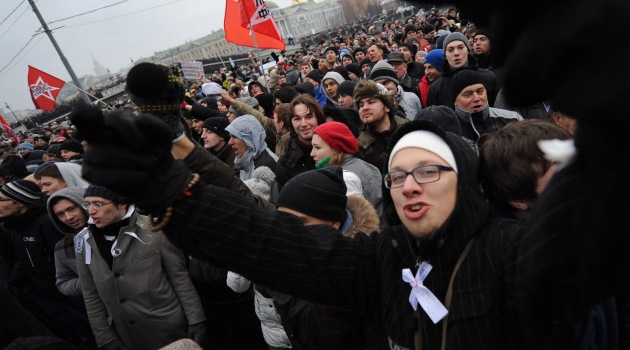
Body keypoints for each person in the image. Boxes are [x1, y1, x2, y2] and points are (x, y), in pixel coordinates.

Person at [71, 107, 525, 349]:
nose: (408, 186)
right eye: (399, 175)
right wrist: (173, 191)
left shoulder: (513, 251)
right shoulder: (384, 255)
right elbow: (266, 238)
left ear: (463, 182)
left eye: (428, 171)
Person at [75, 185, 208, 349]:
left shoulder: (155, 230)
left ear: (121, 203)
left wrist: (196, 319)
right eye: (87, 204)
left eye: (98, 204)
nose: (91, 211)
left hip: (166, 327)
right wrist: (104, 337)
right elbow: (90, 293)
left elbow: (179, 277)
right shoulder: (83, 240)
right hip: (126, 334)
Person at [0, 180, 94, 348]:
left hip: (70, 297)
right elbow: (22, 260)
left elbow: (70, 261)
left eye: (1, 199)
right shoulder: (15, 228)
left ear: (20, 202)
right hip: (49, 300)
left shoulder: (46, 224)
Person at [310, 121, 383, 217]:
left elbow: (352, 222)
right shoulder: (362, 165)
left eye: (317, 147)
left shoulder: (345, 178)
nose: (312, 153)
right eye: (312, 147)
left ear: (336, 149)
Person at [451, 69, 523, 147]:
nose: (476, 98)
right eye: (468, 94)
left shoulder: (513, 120)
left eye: (480, 91)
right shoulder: (449, 128)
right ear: (455, 101)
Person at [426, 32, 500, 108]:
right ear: (445, 56)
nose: (456, 53)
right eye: (450, 50)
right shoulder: (436, 88)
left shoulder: (489, 77)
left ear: (468, 50)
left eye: (460, 48)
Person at [354, 79, 409, 173]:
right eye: (361, 105)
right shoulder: (361, 147)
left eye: (371, 102)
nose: (365, 108)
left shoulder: (409, 130)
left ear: (387, 107)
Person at [274, 94, 326, 190]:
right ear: (291, 123)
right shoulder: (286, 165)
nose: (303, 124)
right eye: (297, 119)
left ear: (318, 118)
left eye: (309, 117)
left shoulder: (336, 147)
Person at [225, 114, 279, 182]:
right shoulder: (244, 160)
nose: (230, 142)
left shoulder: (267, 164)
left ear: (249, 139)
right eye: (230, 137)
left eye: (234, 136)